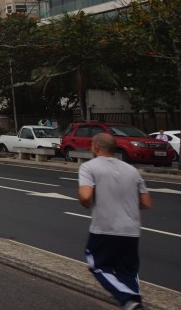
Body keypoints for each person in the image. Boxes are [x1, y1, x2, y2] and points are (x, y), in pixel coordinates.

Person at [78, 132, 152, 310]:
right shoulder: (132, 170)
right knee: (128, 271)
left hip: (104, 228)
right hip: (131, 230)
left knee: (98, 265)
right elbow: (146, 203)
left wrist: (86, 201)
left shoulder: (89, 167)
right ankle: (135, 305)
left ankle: (128, 299)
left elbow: (86, 196)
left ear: (95, 147)